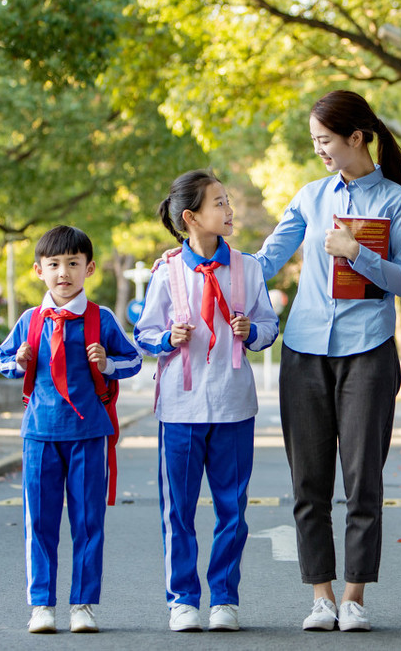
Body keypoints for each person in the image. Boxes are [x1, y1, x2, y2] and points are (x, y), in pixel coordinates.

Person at [253, 90, 401, 632]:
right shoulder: (309, 196)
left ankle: (354, 597)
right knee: (309, 482)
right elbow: (264, 261)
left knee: (361, 479)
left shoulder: (397, 201)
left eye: (325, 141)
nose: (320, 150)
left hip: (368, 352)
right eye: (314, 142)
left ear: (356, 137)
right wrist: (195, 255)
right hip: (303, 351)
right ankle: (321, 596)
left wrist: (357, 254)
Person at [133, 170, 280, 633]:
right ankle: (182, 599)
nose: (229, 210)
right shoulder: (166, 271)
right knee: (178, 508)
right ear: (191, 217)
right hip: (180, 406)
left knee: (231, 509)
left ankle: (225, 599)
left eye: (228, 201)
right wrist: (166, 338)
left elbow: (270, 325)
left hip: (234, 404)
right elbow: (145, 333)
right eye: (219, 203)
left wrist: (251, 331)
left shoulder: (249, 268)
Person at [0, 225, 142, 634]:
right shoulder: (30, 320)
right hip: (40, 434)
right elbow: (2, 359)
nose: (64, 272)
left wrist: (105, 363)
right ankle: (41, 604)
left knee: (87, 522)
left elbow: (133, 361)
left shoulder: (102, 319)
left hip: (89, 435)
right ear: (39, 270)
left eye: (73, 264)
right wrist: (19, 362)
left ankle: (83, 605)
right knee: (39, 522)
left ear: (89, 268)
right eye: (55, 264)